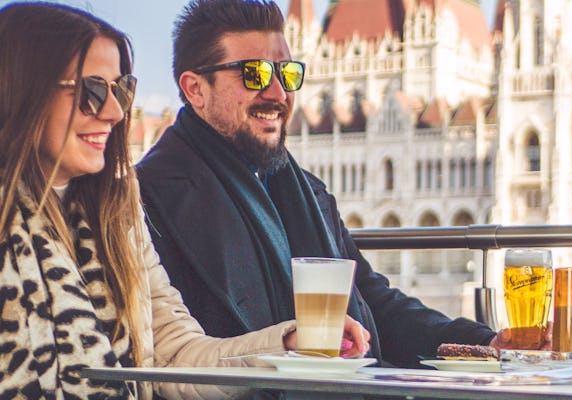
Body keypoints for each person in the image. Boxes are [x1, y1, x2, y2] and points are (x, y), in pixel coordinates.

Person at [136, 0, 534, 369]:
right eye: (254, 74)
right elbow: (180, 356)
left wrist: (483, 342)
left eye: (288, 74)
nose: (279, 93)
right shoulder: (149, 198)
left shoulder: (306, 191)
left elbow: (372, 301)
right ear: (195, 89)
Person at [0, 3, 367, 399]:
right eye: (91, 91)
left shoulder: (118, 213)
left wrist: (288, 346)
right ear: (23, 90)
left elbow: (175, 356)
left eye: (121, 90)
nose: (114, 112)